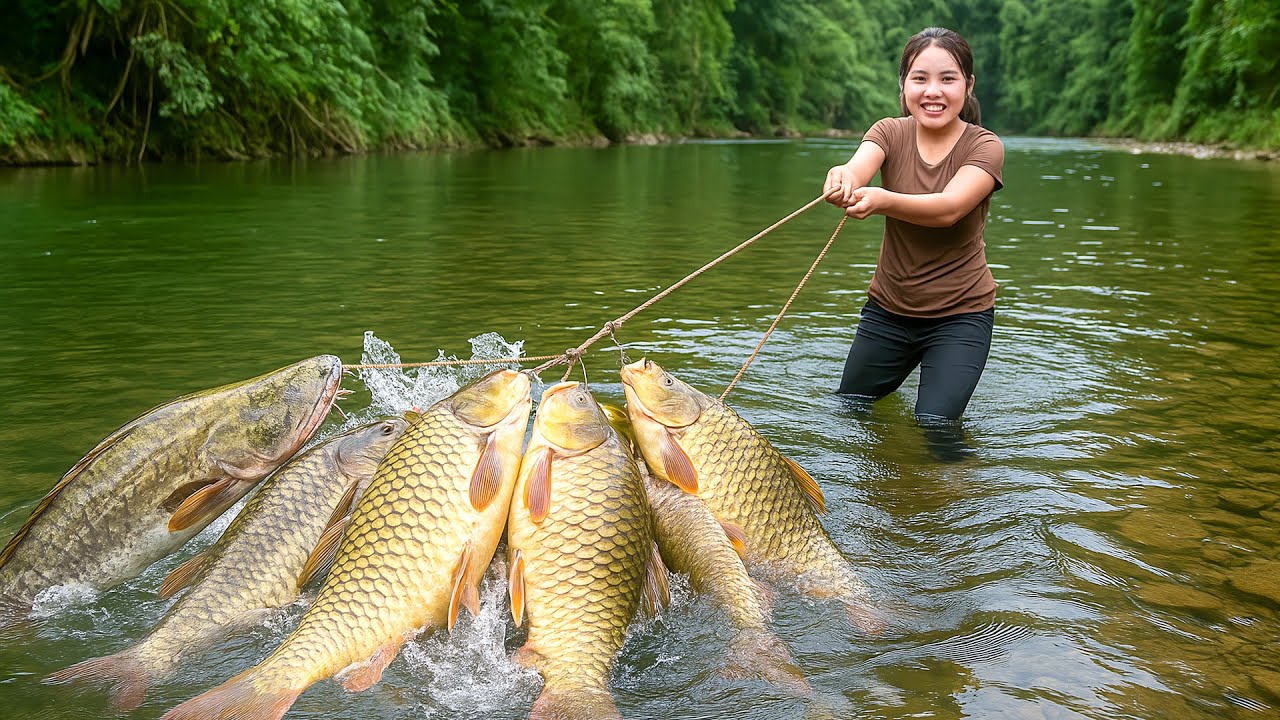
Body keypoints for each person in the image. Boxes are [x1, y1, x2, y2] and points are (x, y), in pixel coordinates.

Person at [822, 26, 1004, 427]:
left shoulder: (984, 146)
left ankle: (954, 486)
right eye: (920, 79)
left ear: (968, 85)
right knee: (848, 413)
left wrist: (882, 200)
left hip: (961, 316)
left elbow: (948, 209)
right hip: (887, 311)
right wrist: (844, 176)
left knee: (935, 426)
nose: (932, 91)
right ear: (904, 84)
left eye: (947, 79)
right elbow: (857, 167)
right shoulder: (888, 131)